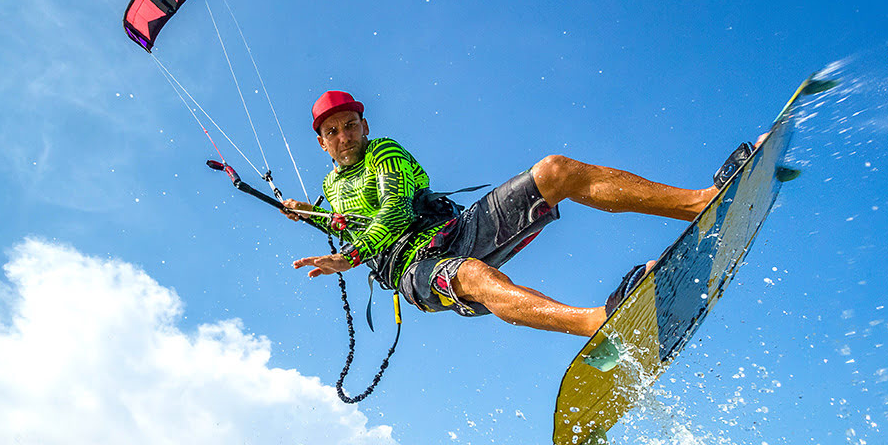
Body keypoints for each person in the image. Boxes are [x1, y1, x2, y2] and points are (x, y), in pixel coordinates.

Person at [282, 90, 750, 337]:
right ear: (322, 144)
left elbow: (392, 208)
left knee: (555, 170)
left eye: (350, 125)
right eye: (333, 132)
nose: (345, 135)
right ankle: (595, 322)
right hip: (415, 269)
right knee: (474, 278)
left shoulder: (382, 152)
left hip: (455, 229)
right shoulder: (329, 187)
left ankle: (698, 203)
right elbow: (354, 222)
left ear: (364, 125)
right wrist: (311, 215)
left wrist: (353, 255)